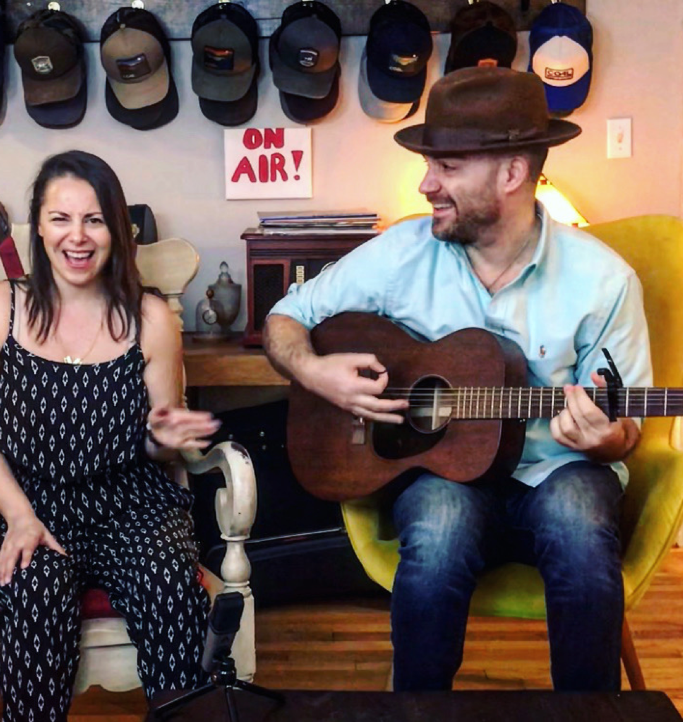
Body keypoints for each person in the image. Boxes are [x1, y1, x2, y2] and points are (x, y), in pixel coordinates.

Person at [263, 67, 652, 693]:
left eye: (445, 166)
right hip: (440, 477)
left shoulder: (604, 281)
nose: (424, 184)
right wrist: (315, 371)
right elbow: (287, 316)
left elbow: (625, 431)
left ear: (511, 173)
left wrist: (603, 439)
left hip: (556, 473)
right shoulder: (400, 252)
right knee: (439, 531)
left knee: (581, 525)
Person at [0, 150, 219, 720]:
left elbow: (156, 443)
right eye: (61, 219)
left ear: (117, 230)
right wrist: (21, 518)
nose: (78, 237)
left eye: (94, 219)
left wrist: (167, 434)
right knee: (38, 590)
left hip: (133, 503)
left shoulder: (150, 317)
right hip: (29, 503)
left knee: (170, 584)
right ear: (38, 226)